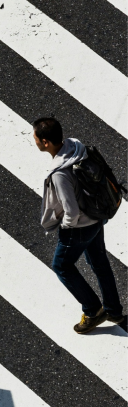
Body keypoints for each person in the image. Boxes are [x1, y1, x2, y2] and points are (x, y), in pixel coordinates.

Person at [34, 116, 124, 333]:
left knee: (61, 266)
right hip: (96, 216)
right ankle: (113, 309)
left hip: (79, 227)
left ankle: (93, 310)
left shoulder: (59, 174)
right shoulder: (76, 148)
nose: (34, 141)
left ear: (46, 142)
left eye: (36, 137)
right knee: (100, 263)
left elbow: (71, 211)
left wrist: (65, 227)